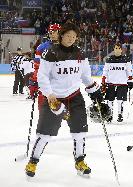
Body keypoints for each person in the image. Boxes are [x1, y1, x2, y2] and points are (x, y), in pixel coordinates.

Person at [25, 23, 104, 178]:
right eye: (68, 36)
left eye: (74, 37)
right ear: (61, 35)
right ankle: (33, 162)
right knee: (45, 134)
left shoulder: (81, 54)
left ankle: (80, 161)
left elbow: (86, 77)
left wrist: (95, 94)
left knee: (80, 132)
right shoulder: (50, 53)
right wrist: (49, 94)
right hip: (54, 99)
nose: (71, 39)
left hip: (75, 97)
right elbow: (42, 76)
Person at [29, 23, 61, 105]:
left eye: (55, 32)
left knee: (62, 113)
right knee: (43, 111)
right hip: (46, 85)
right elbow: (37, 67)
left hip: (62, 86)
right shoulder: (41, 47)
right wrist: (35, 81)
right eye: (50, 32)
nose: (52, 34)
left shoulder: (67, 47)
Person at [102, 43, 133, 123]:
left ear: (121, 50)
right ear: (114, 49)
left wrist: (130, 81)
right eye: (115, 48)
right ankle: (109, 115)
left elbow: (129, 71)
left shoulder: (126, 59)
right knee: (110, 100)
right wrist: (103, 81)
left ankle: (120, 114)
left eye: (118, 48)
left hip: (122, 83)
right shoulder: (109, 59)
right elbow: (105, 71)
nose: (117, 50)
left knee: (120, 100)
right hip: (111, 83)